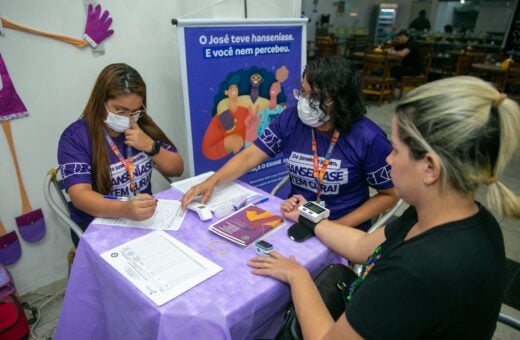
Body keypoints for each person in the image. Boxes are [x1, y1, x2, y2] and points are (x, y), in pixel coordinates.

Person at [248, 76, 520, 339]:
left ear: (430, 168)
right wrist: (308, 217)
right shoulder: (456, 217)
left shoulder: (414, 271)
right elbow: (362, 247)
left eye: (396, 150)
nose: (388, 160)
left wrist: (298, 276)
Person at [182, 56, 398, 230]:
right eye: (303, 92)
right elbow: (249, 156)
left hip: (344, 225)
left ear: (340, 101)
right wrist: (212, 181)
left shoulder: (368, 138)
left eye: (315, 96)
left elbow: (389, 194)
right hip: (296, 216)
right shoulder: (290, 119)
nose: (304, 102)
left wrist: (335, 227)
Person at [58, 63, 184, 245]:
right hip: (97, 223)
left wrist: (150, 146)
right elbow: (80, 196)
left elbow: (176, 169)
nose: (128, 118)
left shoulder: (142, 127)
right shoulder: (75, 137)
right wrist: (124, 209)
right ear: (100, 102)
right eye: (120, 110)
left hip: (142, 218)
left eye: (134, 111)